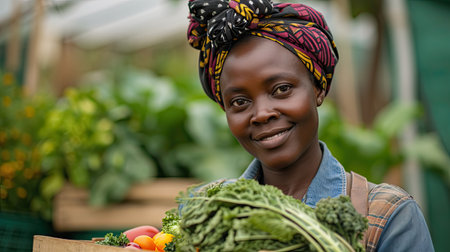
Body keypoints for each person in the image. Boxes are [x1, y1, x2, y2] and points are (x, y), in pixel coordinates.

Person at [186, 0, 434, 251]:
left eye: (281, 89)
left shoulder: (387, 216)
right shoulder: (203, 209)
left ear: (318, 88)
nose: (261, 114)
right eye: (239, 101)